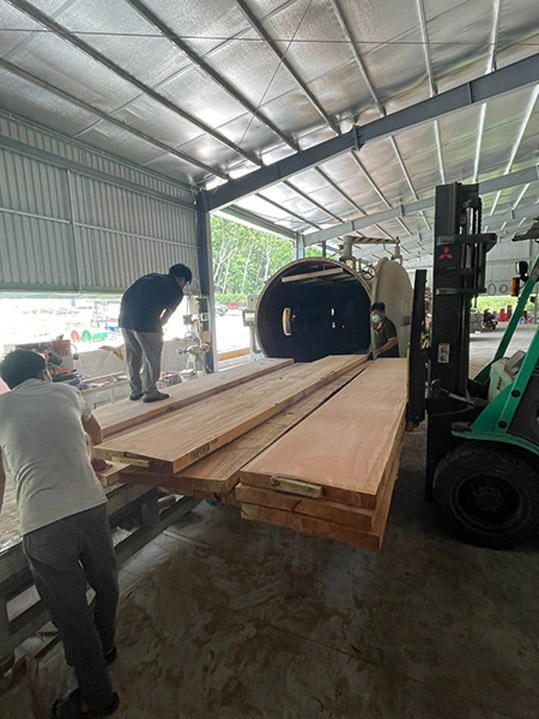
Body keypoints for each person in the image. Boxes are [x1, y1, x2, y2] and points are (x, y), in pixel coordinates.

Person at [0, 350, 119, 718]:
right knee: (106, 582)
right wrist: (92, 459)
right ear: (45, 373)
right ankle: (105, 647)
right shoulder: (68, 393)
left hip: (43, 524)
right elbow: (95, 432)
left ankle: (97, 697)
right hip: (90, 506)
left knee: (72, 617)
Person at [118, 263, 192, 403]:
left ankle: (135, 391)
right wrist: (158, 327)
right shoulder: (176, 290)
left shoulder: (150, 277)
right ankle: (150, 392)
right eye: (185, 283)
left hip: (125, 321)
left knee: (133, 357)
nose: (184, 286)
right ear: (181, 279)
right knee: (152, 358)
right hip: (146, 322)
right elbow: (166, 316)